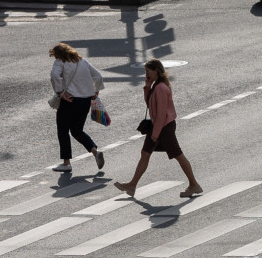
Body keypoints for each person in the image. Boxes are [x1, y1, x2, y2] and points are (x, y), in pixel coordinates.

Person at [113, 58, 203, 198]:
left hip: (164, 128)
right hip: (158, 126)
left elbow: (161, 114)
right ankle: (132, 185)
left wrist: (155, 134)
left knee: (178, 155)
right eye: (145, 71)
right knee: (145, 153)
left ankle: (194, 184)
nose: (146, 74)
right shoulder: (156, 85)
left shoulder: (161, 88)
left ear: (156, 71)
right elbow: (150, 105)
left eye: (148, 71)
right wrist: (147, 87)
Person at [49, 42, 105, 174]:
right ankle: (95, 152)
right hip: (85, 102)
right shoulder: (81, 61)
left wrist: (60, 93)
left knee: (63, 131)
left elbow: (54, 75)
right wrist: (95, 90)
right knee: (76, 130)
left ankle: (66, 163)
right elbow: (98, 76)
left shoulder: (60, 62)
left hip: (70, 101)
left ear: (58, 55)